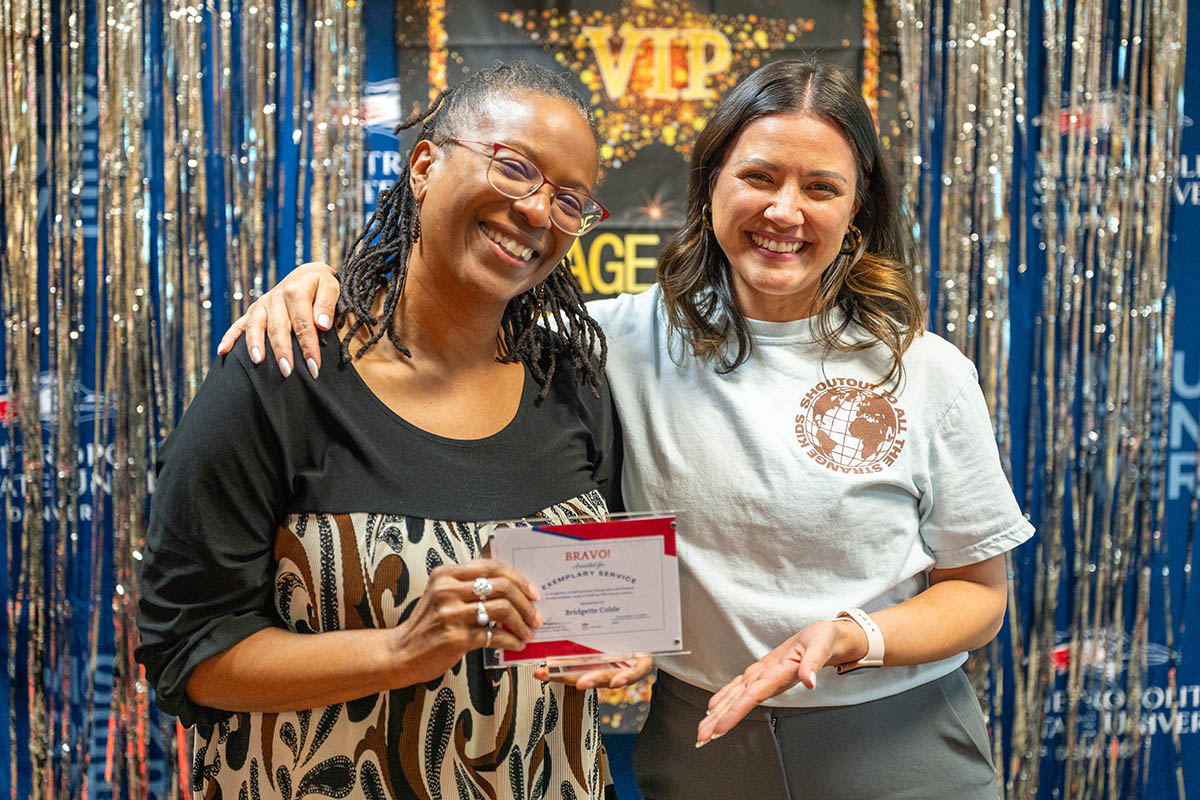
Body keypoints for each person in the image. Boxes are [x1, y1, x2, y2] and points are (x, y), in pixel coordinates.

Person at [217, 59, 1034, 799]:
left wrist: (852, 636)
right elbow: (448, 319)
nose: (785, 210)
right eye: (759, 176)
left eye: (821, 188)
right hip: (701, 740)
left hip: (896, 738)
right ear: (711, 187)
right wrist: (323, 283)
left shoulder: (924, 370)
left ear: (856, 211)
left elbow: (978, 597)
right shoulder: (609, 344)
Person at [136, 61, 651, 800]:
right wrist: (397, 651)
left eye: (570, 200)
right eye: (513, 169)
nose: (539, 212)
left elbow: (585, 605)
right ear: (424, 162)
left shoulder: (570, 383)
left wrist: (618, 642)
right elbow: (187, 649)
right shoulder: (287, 371)